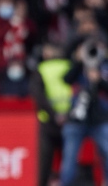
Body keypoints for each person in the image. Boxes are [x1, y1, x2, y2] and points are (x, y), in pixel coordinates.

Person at [60, 38, 108, 186]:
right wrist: (80, 61)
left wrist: (98, 79)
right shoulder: (77, 67)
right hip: (76, 120)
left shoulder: (103, 67)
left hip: (99, 120)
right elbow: (67, 79)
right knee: (69, 157)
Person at [29, 42, 72, 186]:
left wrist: (54, 115)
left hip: (48, 122)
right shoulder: (69, 67)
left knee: (45, 164)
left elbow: (38, 96)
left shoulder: (41, 69)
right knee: (70, 162)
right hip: (70, 120)